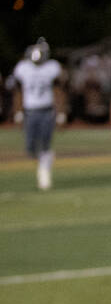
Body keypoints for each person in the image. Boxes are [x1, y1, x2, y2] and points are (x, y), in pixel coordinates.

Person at [8, 38, 67, 190]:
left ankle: (44, 172)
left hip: (47, 110)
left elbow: (58, 91)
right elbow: (19, 92)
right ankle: (43, 161)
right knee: (30, 146)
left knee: (46, 143)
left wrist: (61, 113)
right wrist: (18, 112)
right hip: (30, 111)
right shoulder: (23, 68)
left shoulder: (52, 67)